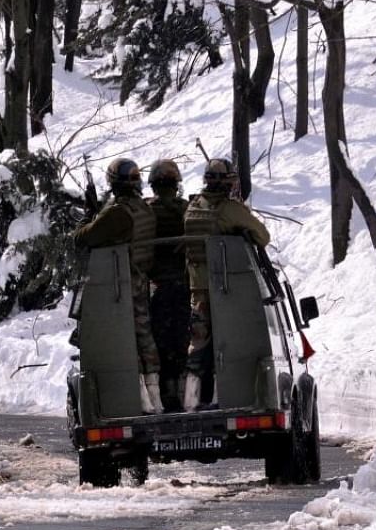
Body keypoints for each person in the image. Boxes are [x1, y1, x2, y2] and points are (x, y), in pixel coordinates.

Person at [73, 158, 163, 415]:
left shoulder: (119, 212)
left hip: (120, 283)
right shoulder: (143, 209)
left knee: (126, 339)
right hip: (141, 279)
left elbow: (84, 238)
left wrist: (89, 215)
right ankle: (155, 396)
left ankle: (141, 398)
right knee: (145, 337)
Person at [182, 158, 270, 411]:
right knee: (229, 344)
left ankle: (191, 400)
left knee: (197, 346)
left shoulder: (192, 207)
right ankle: (225, 398)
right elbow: (263, 237)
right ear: (228, 183)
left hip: (197, 290)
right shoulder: (230, 209)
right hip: (227, 290)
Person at [145, 159, 190, 412]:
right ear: (176, 184)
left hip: (156, 287)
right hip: (185, 287)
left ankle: (166, 391)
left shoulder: (145, 211)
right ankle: (182, 389)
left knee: (159, 341)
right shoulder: (187, 209)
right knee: (183, 339)